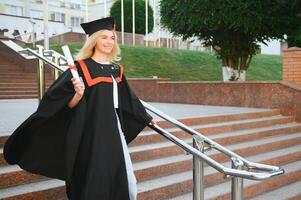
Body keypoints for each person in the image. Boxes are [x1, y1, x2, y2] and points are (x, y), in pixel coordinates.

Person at [3, 17, 155, 200]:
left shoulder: (116, 69)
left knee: (121, 175)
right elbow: (59, 102)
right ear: (94, 40)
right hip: (90, 131)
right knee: (93, 174)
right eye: (104, 37)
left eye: (112, 38)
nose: (109, 42)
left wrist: (145, 117)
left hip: (113, 130)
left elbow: (128, 99)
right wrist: (78, 94)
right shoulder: (81, 68)